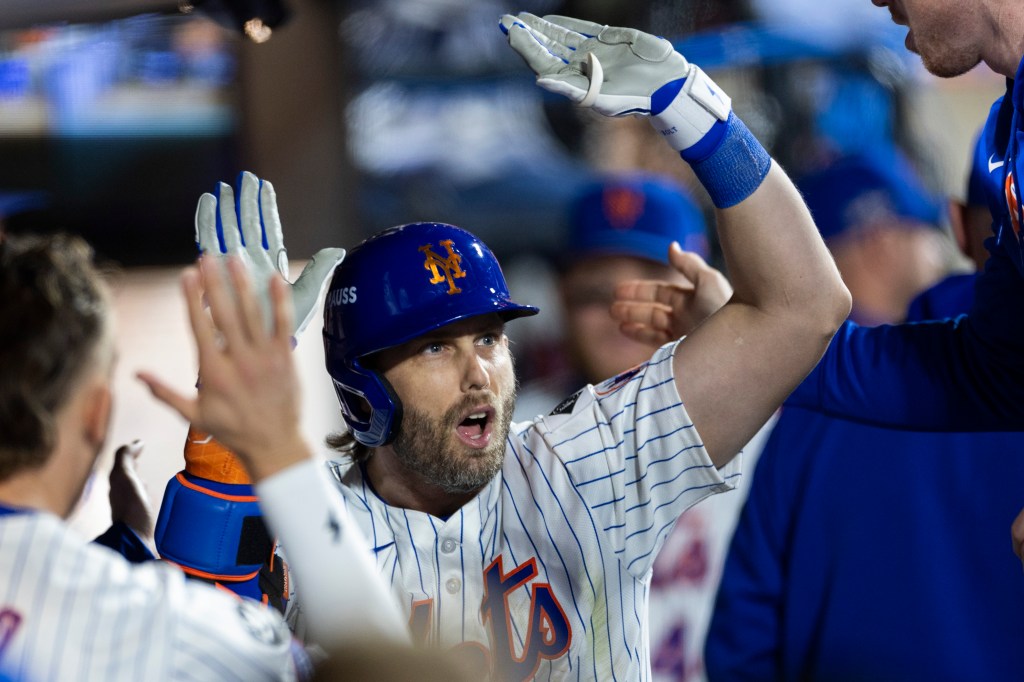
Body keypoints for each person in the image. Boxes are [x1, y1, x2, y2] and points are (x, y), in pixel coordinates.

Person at [312, 12, 851, 680]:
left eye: (487, 337)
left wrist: (693, 112)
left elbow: (805, 307)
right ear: (364, 387)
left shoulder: (575, 469)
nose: (478, 371)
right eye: (434, 348)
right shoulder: (303, 524)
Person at [0, 231, 406, 680]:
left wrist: (126, 548)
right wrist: (276, 449)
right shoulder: (168, 630)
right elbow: (389, 671)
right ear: (97, 416)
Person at [704, 143, 1024, 681]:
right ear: (878, 238)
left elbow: (743, 632)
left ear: (964, 229)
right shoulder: (817, 390)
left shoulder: (810, 402)